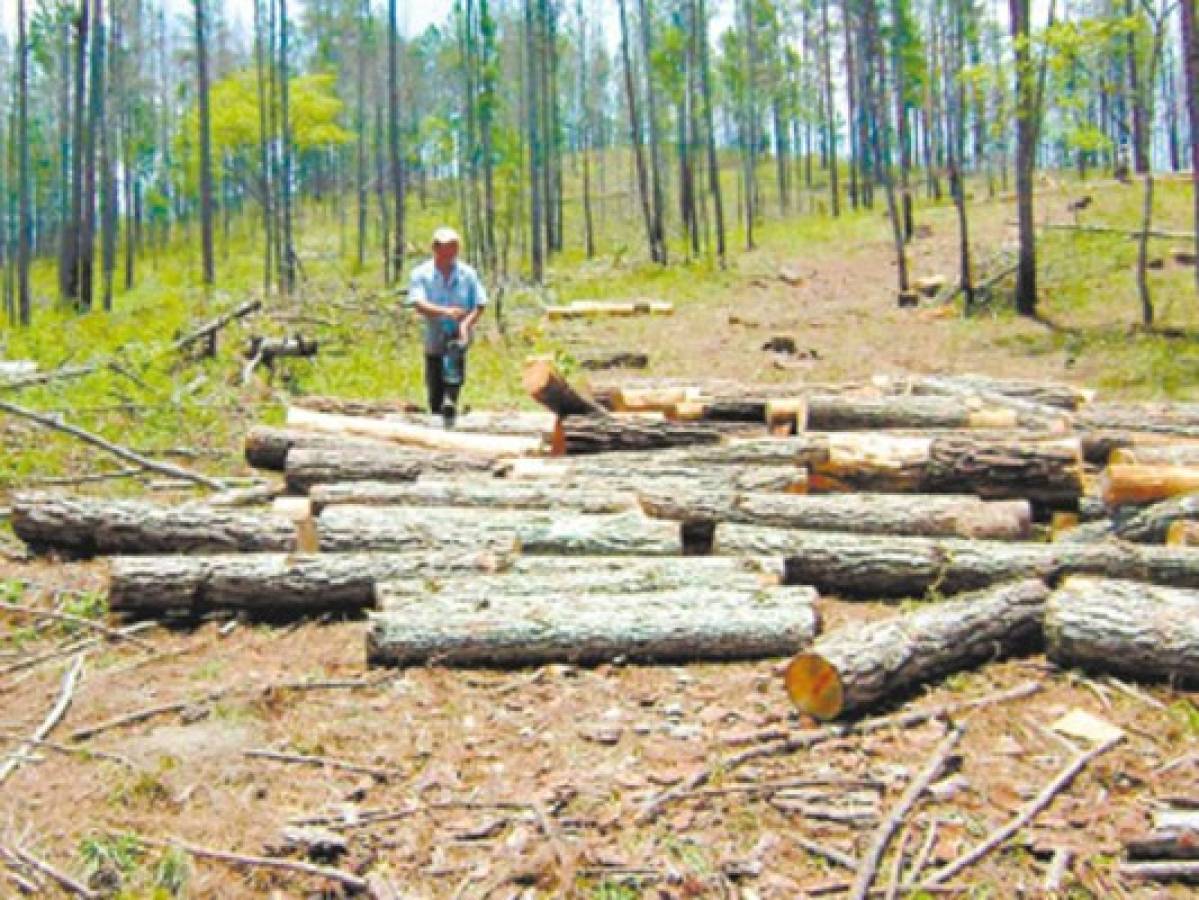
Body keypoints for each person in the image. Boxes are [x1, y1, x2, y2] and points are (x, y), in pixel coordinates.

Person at [405, 227, 488, 425]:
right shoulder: (421, 273)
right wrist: (445, 312)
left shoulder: (467, 274)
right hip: (434, 330)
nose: (451, 251)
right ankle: (436, 409)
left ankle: (450, 402)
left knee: (454, 357)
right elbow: (418, 303)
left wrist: (466, 325)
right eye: (446, 247)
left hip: (459, 330)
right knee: (434, 376)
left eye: (454, 246)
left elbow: (480, 303)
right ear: (435, 248)